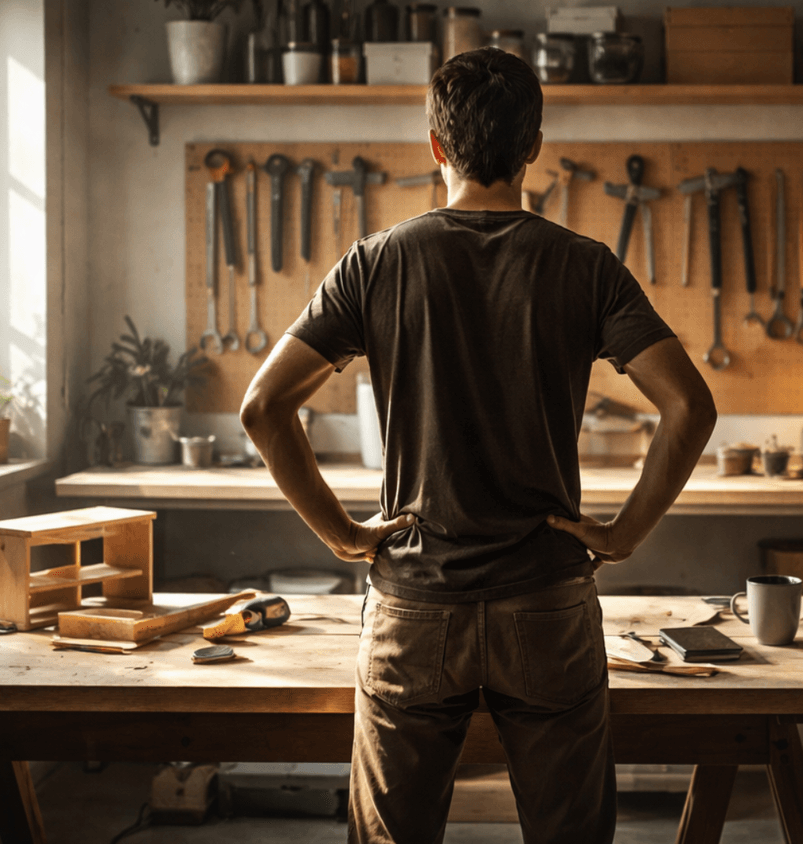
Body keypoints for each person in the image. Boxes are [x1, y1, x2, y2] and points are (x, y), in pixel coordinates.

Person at [240, 47, 716, 844]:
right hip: (546, 601)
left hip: (416, 606)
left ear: (435, 145)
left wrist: (344, 535)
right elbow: (689, 407)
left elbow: (263, 408)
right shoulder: (585, 267)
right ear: (533, 147)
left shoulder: (377, 263)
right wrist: (623, 534)